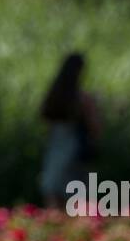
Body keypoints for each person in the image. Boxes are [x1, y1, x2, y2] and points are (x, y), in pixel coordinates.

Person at [39, 53, 99, 208]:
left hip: (55, 149)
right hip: (74, 150)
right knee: (75, 200)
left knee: (53, 195)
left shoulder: (54, 96)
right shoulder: (83, 99)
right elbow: (95, 128)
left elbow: (46, 123)